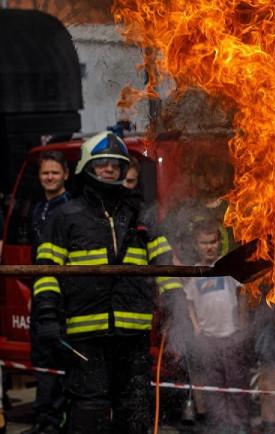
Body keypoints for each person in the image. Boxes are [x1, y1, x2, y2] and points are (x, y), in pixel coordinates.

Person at [32, 131, 189, 432]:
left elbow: (165, 269)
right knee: (90, 412)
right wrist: (47, 317)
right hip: (86, 337)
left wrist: (175, 309)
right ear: (87, 167)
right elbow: (47, 273)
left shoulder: (142, 216)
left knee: (134, 410)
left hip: (133, 337)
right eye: (102, 163)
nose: (109, 169)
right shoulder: (65, 217)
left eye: (115, 164)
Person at [183, 219, 250, 431]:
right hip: (208, 339)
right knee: (214, 385)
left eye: (212, 242)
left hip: (230, 335)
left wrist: (242, 322)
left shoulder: (227, 266)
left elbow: (242, 295)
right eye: (204, 243)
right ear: (196, 245)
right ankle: (221, 425)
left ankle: (239, 425)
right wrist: (196, 328)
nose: (209, 246)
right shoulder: (193, 273)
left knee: (236, 383)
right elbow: (189, 304)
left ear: (219, 242)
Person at [25, 151, 73, 434]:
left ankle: (56, 421)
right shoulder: (38, 208)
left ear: (66, 174)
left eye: (55, 172)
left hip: (60, 296)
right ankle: (42, 419)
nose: (50, 177)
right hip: (40, 291)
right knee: (40, 358)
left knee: (56, 357)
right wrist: (35, 294)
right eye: (45, 173)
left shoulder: (69, 207)